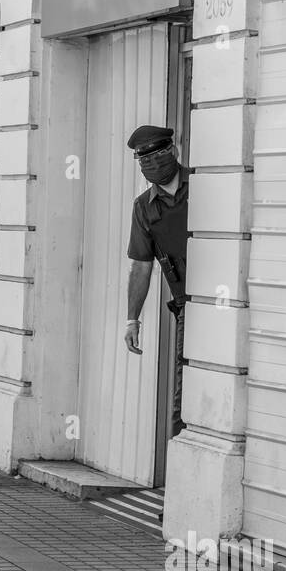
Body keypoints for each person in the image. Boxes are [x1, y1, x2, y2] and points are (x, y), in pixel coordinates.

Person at [124, 124, 189, 438]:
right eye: (144, 161)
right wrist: (131, 320)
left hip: (228, 304)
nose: (152, 165)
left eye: (158, 156)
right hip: (187, 309)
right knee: (185, 396)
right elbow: (140, 267)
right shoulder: (143, 207)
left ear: (173, 151)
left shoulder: (205, 184)